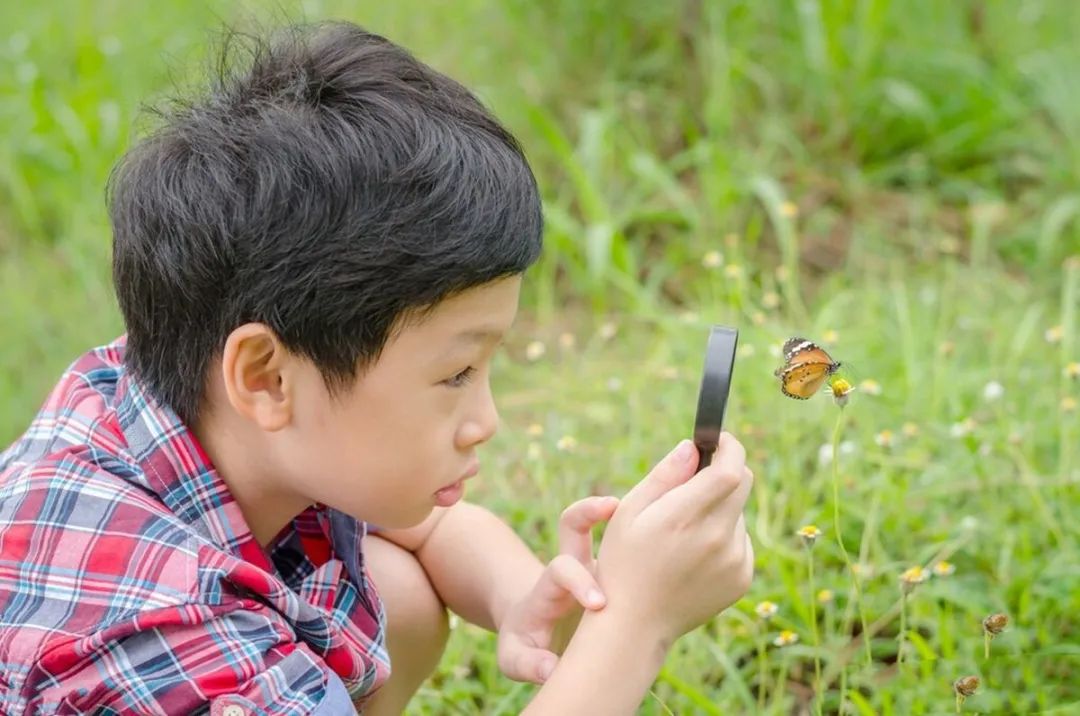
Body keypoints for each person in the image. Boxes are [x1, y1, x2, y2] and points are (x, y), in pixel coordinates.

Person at [0, 20, 754, 715]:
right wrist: (635, 624)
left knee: (399, 596)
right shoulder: (177, 655)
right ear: (264, 376)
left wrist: (522, 594)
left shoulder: (168, 399)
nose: (486, 420)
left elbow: (431, 527)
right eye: (456, 374)